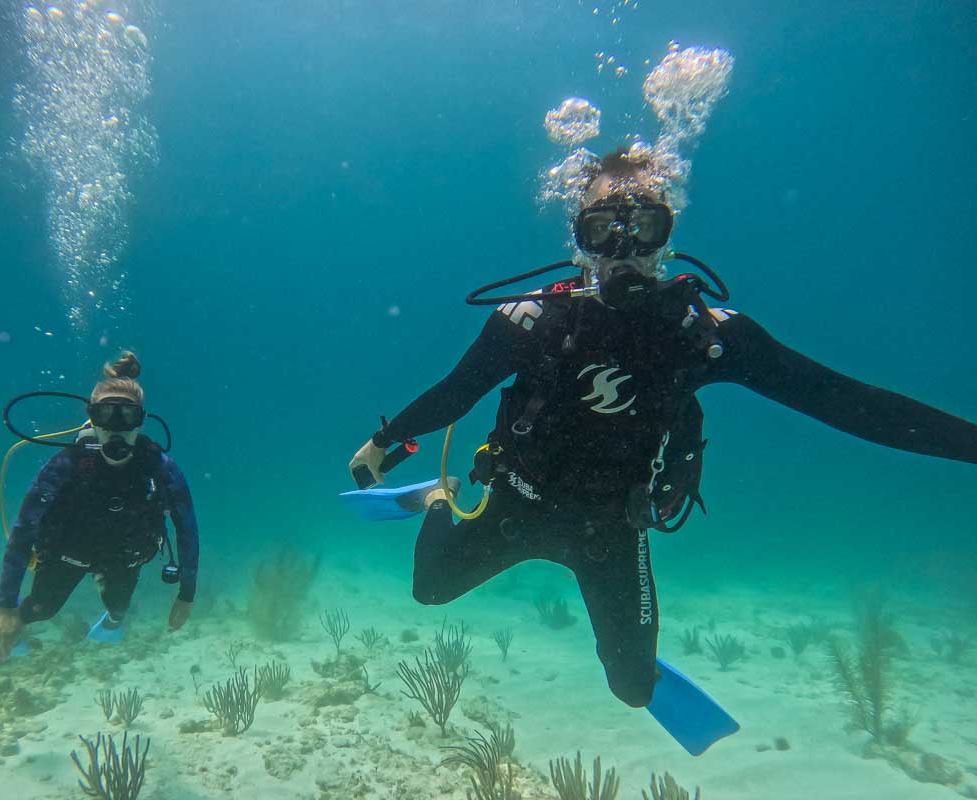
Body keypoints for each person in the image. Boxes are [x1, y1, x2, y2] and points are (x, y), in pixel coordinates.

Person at [348, 148, 977, 713]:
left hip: (612, 527)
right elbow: (457, 391)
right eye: (602, 231)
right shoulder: (531, 320)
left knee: (633, 689)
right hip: (517, 501)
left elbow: (844, 402)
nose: (623, 251)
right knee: (429, 591)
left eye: (644, 228)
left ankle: (633, 673)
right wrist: (386, 442)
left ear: (666, 237)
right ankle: (438, 497)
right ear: (579, 241)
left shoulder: (703, 335)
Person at [0, 351, 199, 658]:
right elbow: (24, 530)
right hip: (67, 555)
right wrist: (6, 607)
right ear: (93, 418)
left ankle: (112, 619)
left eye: (127, 416)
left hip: (124, 558)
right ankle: (16, 630)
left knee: (119, 608)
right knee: (40, 609)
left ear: (140, 421)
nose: (116, 427)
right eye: (105, 415)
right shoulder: (66, 464)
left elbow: (187, 528)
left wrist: (187, 595)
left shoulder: (158, 466)